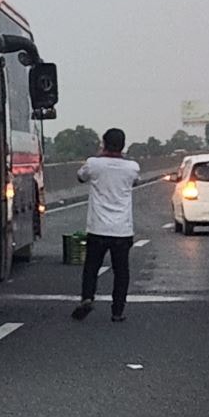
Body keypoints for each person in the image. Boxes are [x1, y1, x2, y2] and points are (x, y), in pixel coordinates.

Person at [72, 127, 140, 322]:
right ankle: (117, 311)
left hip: (98, 228)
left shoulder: (94, 164)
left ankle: (87, 297)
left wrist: (99, 157)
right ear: (123, 145)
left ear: (103, 143)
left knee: (91, 266)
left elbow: (80, 177)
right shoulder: (132, 167)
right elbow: (135, 182)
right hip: (122, 230)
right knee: (121, 272)